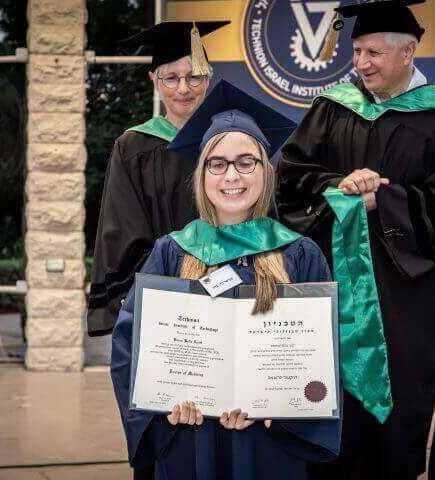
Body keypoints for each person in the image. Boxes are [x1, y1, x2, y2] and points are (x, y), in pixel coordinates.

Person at [276, 1, 435, 479]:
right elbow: (290, 178)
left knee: (394, 424)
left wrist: (379, 202)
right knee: (325, 407)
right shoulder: (332, 108)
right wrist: (340, 185)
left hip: (405, 300)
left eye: (374, 53)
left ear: (408, 53)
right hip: (334, 289)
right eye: (358, 51)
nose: (362, 63)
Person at [111, 80, 341, 480]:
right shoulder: (172, 252)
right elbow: (130, 347)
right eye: (217, 163)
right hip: (189, 439)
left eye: (245, 161)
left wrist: (283, 409)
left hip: (269, 444)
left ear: (265, 170)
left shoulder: (300, 254)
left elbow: (327, 354)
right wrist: (164, 407)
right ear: (202, 175)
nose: (231, 175)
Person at [87, 21, 229, 337]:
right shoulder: (134, 146)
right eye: (171, 77)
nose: (183, 88)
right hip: (162, 298)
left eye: (194, 76)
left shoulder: (231, 140)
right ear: (154, 79)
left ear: (209, 77)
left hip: (232, 292)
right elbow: (123, 227)